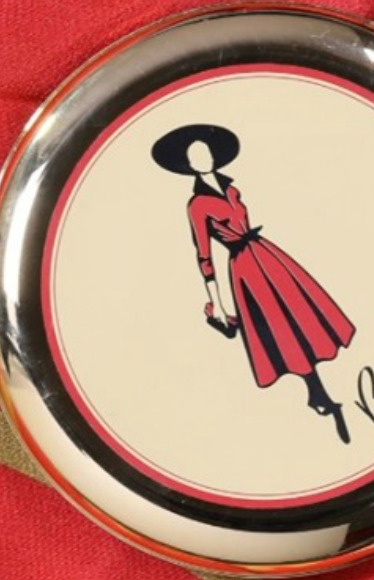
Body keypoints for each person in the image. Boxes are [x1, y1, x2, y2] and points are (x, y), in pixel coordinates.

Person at [152, 123, 355, 444]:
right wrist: (216, 302)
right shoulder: (197, 205)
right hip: (245, 267)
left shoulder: (231, 188)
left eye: (205, 151)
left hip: (266, 255)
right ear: (188, 164)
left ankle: (317, 394)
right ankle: (317, 394)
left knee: (300, 317)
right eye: (195, 155)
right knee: (279, 328)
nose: (203, 158)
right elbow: (203, 254)